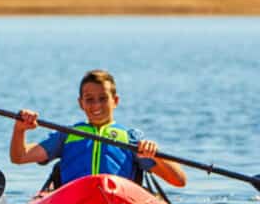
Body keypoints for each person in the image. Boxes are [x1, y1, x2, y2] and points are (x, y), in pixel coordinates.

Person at [10, 69, 186, 189]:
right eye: (89, 99)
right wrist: (20, 130)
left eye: (103, 98)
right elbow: (19, 157)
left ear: (115, 101)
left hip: (119, 203)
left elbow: (179, 181)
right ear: (81, 103)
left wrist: (155, 154)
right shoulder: (67, 136)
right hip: (74, 201)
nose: (96, 105)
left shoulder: (130, 138)